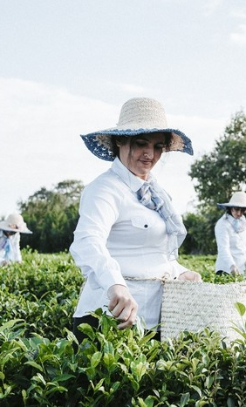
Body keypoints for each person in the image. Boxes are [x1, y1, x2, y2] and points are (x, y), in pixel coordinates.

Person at [70, 97, 201, 341]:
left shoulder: (157, 194)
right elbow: (88, 240)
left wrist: (179, 271)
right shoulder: (105, 189)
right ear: (120, 140)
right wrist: (115, 285)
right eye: (141, 143)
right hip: (108, 317)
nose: (149, 154)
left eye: (158, 147)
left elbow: (150, 252)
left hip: (153, 320)